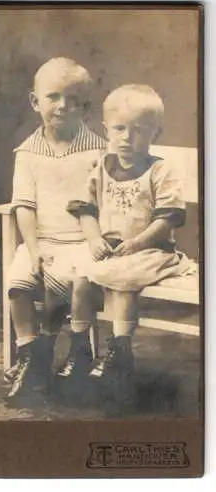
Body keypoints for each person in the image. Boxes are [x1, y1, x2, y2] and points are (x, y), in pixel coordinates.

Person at [58, 84, 190, 392]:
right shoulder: (101, 167)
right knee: (81, 277)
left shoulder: (161, 170)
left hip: (151, 251)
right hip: (111, 248)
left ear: (155, 134)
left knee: (124, 281)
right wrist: (93, 240)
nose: (127, 138)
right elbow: (86, 209)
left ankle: (120, 350)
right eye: (119, 129)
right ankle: (80, 349)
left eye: (138, 131)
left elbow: (167, 218)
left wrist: (138, 243)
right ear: (106, 130)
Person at [5, 57, 106, 402]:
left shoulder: (98, 150)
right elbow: (24, 206)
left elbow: (100, 205)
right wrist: (33, 250)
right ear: (35, 102)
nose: (63, 106)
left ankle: (55, 350)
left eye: (73, 99)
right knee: (17, 284)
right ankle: (29, 353)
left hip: (81, 242)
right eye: (53, 97)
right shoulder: (27, 153)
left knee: (65, 281)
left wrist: (95, 240)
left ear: (86, 106)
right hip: (42, 240)